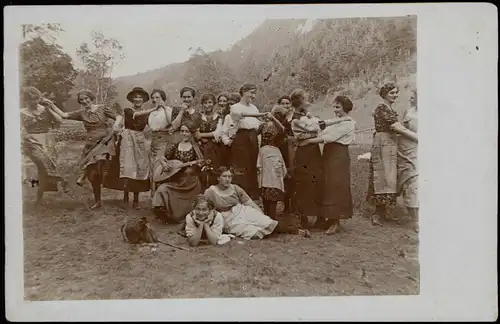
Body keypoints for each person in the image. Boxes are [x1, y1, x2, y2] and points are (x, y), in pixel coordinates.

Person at [290, 88, 352, 229]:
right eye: (306, 99)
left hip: (313, 151)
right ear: (300, 102)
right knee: (305, 182)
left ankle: (320, 216)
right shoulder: (296, 120)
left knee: (318, 181)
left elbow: (320, 125)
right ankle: (303, 217)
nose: (309, 102)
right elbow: (317, 127)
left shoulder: (307, 116)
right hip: (304, 152)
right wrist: (341, 120)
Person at [59, 89, 122, 209]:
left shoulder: (102, 108)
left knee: (100, 160)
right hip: (90, 145)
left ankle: (98, 175)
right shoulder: (82, 113)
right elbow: (63, 115)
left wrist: (116, 124)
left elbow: (118, 116)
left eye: (86, 98)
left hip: (105, 142)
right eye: (81, 100)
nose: (84, 101)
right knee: (92, 174)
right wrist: (49, 105)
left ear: (91, 98)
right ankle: (97, 200)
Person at [366, 82, 418, 226]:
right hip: (382, 143)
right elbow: (396, 126)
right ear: (384, 94)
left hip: (390, 144)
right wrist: (417, 137)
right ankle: (377, 214)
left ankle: (384, 212)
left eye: (396, 92)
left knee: (389, 178)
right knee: (380, 176)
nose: (395, 95)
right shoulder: (382, 108)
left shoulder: (390, 109)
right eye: (391, 93)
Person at [20, 86, 69, 203]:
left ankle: (39, 197)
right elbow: (19, 129)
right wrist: (26, 138)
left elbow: (60, 120)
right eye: (31, 100)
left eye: (36, 99)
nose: (34, 102)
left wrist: (50, 107)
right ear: (26, 100)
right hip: (31, 141)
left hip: (47, 139)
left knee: (45, 169)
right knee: (38, 166)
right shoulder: (21, 113)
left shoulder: (44, 109)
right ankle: (60, 179)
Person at [129, 89, 182, 193]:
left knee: (163, 166)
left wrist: (163, 107)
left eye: (157, 97)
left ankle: (163, 193)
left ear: (163, 98)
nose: (155, 100)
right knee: (153, 167)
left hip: (166, 140)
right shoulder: (151, 112)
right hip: (154, 141)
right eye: (153, 98)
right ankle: (154, 194)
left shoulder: (169, 110)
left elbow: (172, 124)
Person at [152, 122, 204, 225]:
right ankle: (163, 212)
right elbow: (164, 157)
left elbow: (201, 163)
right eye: (182, 131)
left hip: (189, 183)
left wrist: (195, 166)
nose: (184, 134)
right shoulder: (176, 145)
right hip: (175, 179)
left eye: (187, 132)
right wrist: (163, 164)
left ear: (192, 133)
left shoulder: (196, 147)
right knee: (162, 189)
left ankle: (177, 214)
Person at [221, 84, 264, 200]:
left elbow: (258, 124)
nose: (253, 96)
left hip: (253, 138)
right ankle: (239, 197)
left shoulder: (254, 108)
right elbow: (239, 116)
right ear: (244, 92)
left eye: (254, 93)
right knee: (241, 168)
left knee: (252, 167)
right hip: (241, 139)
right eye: (251, 92)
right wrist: (260, 115)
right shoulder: (235, 107)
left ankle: (252, 198)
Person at [256, 107, 288, 220]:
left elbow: (282, 130)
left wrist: (273, 118)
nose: (277, 116)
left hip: (274, 154)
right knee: (264, 184)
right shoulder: (263, 126)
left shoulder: (281, 127)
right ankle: (266, 216)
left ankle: (272, 217)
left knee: (273, 184)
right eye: (276, 114)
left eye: (280, 115)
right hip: (263, 154)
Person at [397, 89, 419, 232]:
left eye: (413, 98)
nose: (410, 100)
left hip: (416, 152)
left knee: (414, 184)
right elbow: (404, 127)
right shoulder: (409, 111)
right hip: (403, 152)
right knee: (406, 184)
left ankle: (418, 221)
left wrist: (400, 129)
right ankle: (413, 218)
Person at [195, 93, 224, 189]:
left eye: (210, 102)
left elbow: (218, 133)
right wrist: (200, 137)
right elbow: (195, 132)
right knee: (202, 170)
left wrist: (202, 135)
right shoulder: (199, 117)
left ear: (214, 103)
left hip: (215, 148)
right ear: (202, 104)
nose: (208, 105)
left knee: (215, 169)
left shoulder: (219, 117)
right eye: (205, 103)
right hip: (201, 148)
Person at [274, 95, 294, 214]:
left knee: (291, 174)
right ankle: (282, 204)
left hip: (291, 149)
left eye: (288, 103)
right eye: (283, 103)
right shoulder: (277, 117)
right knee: (281, 174)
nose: (286, 106)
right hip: (280, 148)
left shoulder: (293, 117)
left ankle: (291, 205)